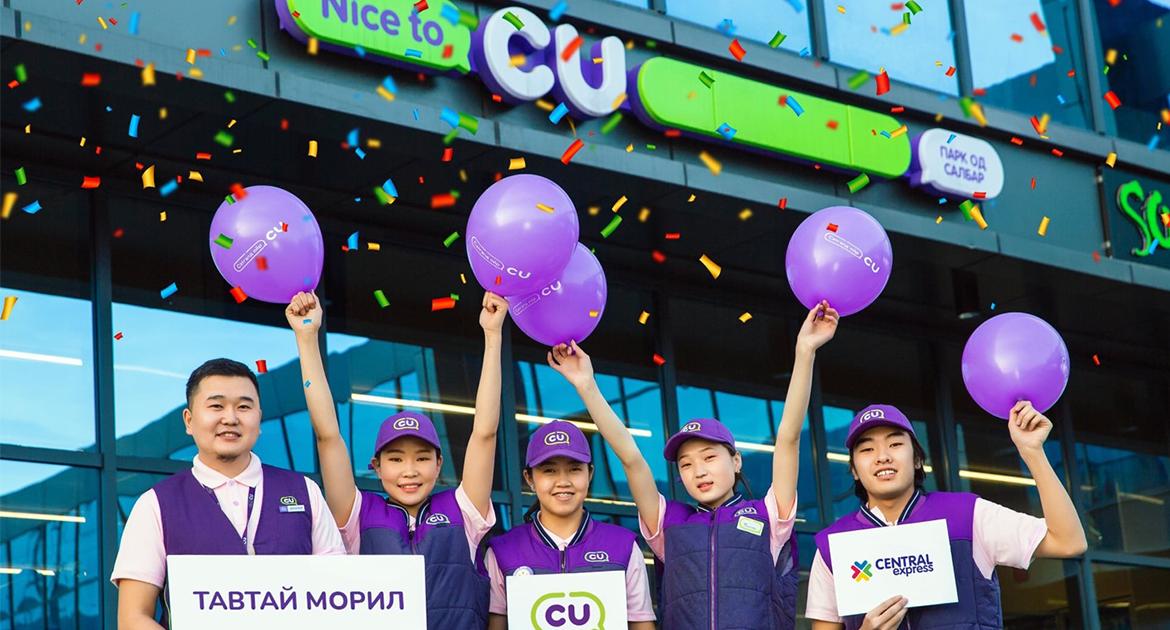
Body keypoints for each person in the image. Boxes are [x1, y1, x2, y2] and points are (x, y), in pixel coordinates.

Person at [544, 301, 840, 629]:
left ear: (736, 461)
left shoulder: (768, 515)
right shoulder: (668, 523)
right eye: (686, 465)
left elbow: (788, 438)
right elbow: (631, 459)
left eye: (709, 457)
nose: (698, 471)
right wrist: (586, 385)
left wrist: (805, 351)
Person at [288, 290, 507, 628]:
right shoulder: (359, 514)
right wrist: (306, 338)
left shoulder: (463, 510)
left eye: (422, 458)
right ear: (376, 467)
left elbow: (485, 434)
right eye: (395, 459)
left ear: (439, 464)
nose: (409, 471)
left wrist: (492, 337)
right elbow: (328, 436)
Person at [806, 401, 1088, 630]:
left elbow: (1069, 542)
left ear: (917, 459)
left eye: (895, 444)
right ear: (854, 470)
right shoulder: (833, 547)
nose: (882, 456)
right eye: (867, 449)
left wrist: (1032, 452)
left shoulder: (967, 515)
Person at [112, 358, 344, 629]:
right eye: (216, 406)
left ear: (259, 418)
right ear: (189, 421)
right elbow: (133, 618)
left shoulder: (304, 492)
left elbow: (338, 595)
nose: (231, 418)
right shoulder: (156, 504)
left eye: (244, 407)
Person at [483, 421, 656, 629]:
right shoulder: (502, 551)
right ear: (529, 478)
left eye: (574, 469)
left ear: (589, 474)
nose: (563, 481)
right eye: (549, 470)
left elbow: (642, 625)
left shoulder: (623, 546)